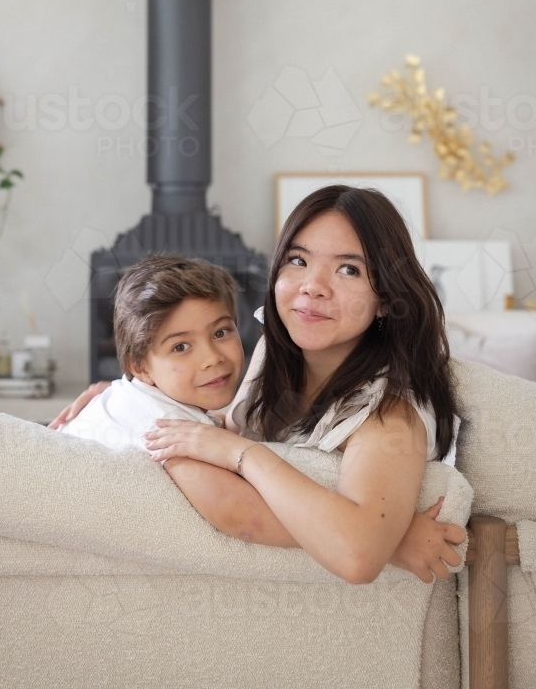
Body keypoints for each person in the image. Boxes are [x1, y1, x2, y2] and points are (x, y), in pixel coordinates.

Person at [50, 185, 465, 584]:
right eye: (298, 261)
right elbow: (220, 425)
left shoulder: (388, 419)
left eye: (348, 269)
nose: (311, 286)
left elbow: (357, 554)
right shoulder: (280, 348)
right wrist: (130, 399)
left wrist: (240, 454)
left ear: (387, 298)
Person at [56, 255, 244, 451]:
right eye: (180, 347)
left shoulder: (139, 398)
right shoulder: (169, 431)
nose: (212, 358)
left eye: (220, 333)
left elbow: (217, 424)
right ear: (139, 366)